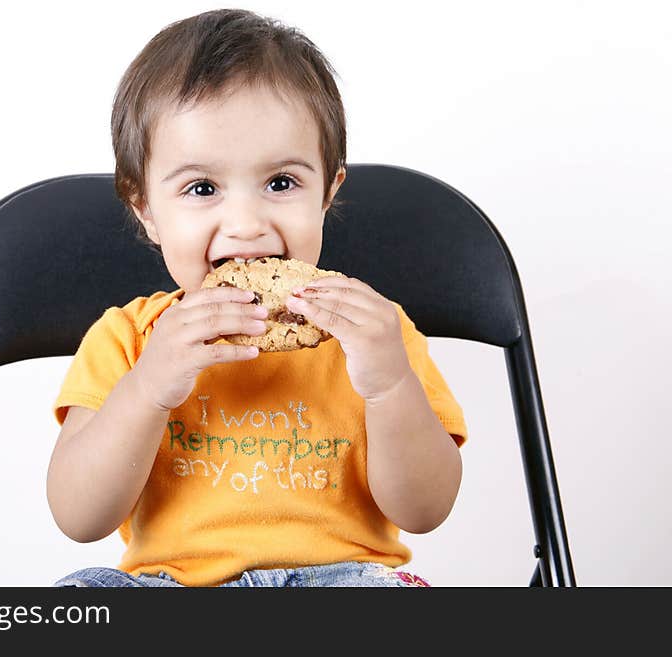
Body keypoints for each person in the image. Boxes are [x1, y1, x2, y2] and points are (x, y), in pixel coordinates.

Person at [48, 8, 467, 588]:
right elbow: (78, 517)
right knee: (81, 595)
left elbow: (425, 511)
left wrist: (391, 384)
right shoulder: (128, 339)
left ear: (327, 192)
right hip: (173, 585)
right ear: (145, 208)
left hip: (341, 581)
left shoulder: (378, 332)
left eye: (280, 183)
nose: (246, 225)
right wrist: (148, 386)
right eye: (201, 188)